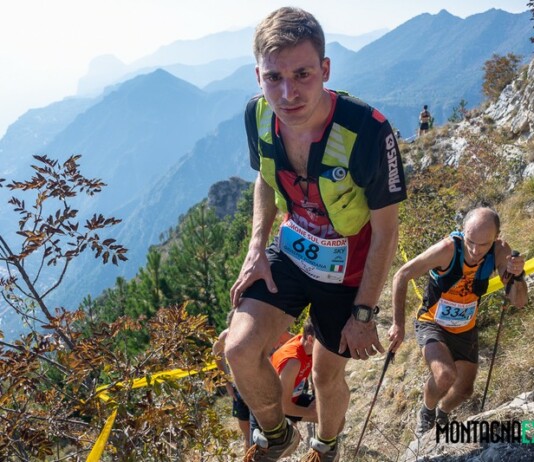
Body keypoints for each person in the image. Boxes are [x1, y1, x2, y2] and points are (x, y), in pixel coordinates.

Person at [224, 7, 407, 462]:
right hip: (292, 249)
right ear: (258, 76)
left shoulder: (367, 130)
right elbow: (265, 178)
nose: (288, 93)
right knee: (239, 349)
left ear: (325, 69)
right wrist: (255, 249)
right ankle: (277, 436)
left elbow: (386, 231)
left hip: (349, 270)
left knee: (326, 375)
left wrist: (363, 313)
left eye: (302, 74)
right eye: (273, 78)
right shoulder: (258, 115)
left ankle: (325, 447)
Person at [388, 207, 528, 437]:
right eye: (470, 241)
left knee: (464, 390)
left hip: (465, 328)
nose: (475, 250)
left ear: (497, 237)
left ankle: (442, 413)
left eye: (483, 244)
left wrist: (518, 275)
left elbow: (519, 301)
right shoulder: (447, 250)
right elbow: (401, 275)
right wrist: (398, 324)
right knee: (445, 375)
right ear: (463, 232)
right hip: (432, 322)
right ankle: (427, 412)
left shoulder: (501, 252)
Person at [250, 317, 318, 445]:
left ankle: (323, 451)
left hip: (291, 399)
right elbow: (284, 407)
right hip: (270, 407)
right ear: (310, 339)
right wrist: (309, 411)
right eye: (324, 340)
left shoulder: (305, 344)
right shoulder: (293, 362)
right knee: (268, 449)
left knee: (333, 417)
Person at [213, 310, 252, 451]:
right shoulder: (226, 335)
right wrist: (227, 382)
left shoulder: (254, 332)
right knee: (247, 434)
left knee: (263, 431)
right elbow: (217, 352)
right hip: (238, 389)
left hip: (258, 387)